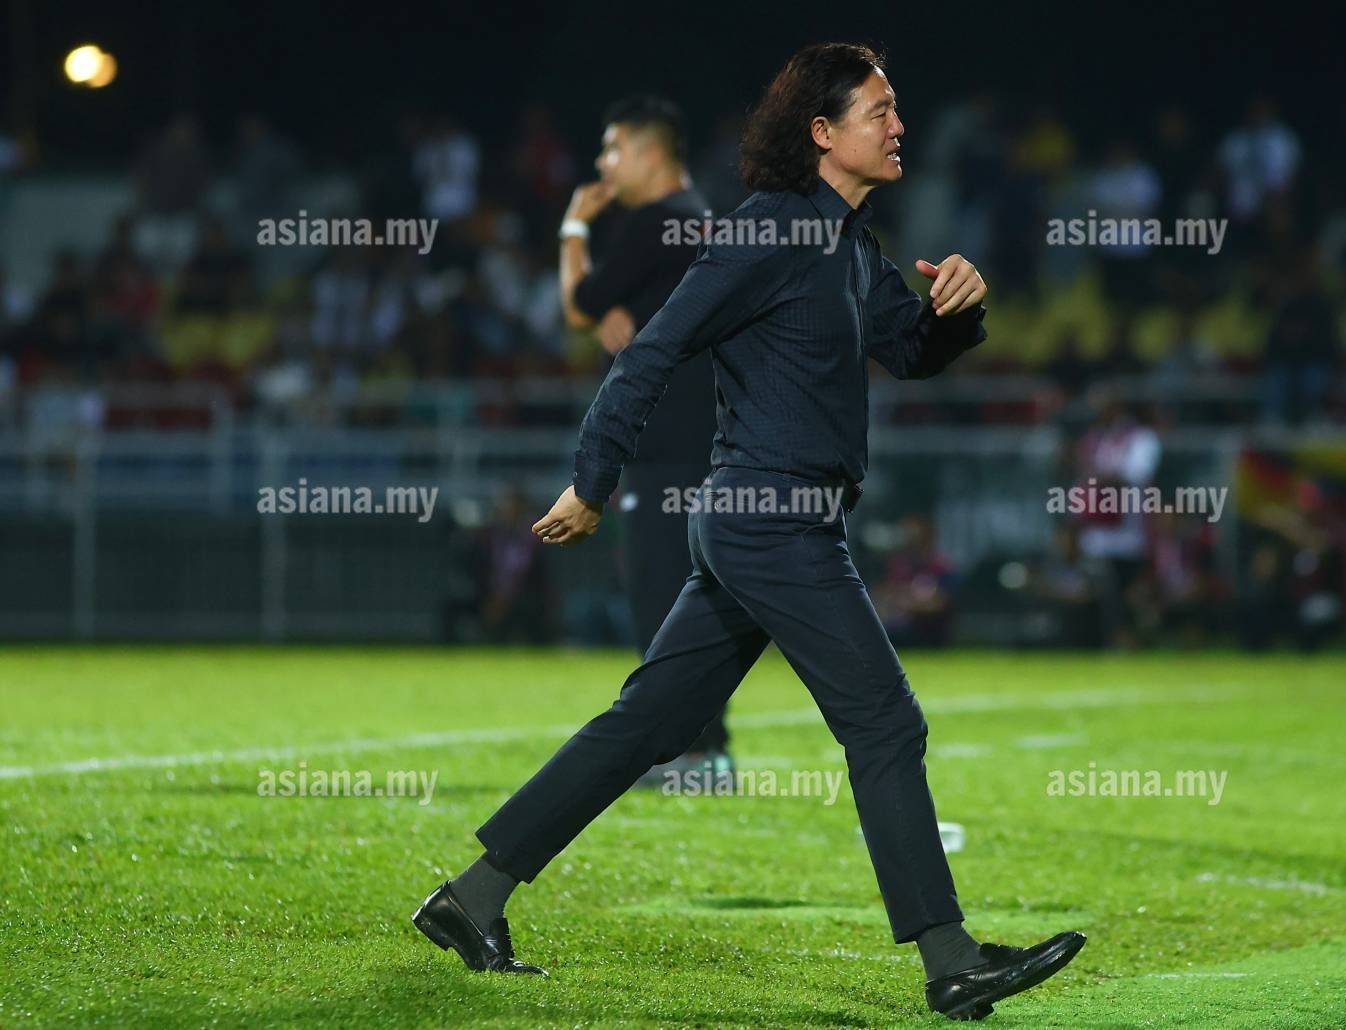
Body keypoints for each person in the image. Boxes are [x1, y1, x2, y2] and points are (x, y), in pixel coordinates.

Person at [413, 43, 1085, 1020]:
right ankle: (951, 960)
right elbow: (652, 350)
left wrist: (956, 310)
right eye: (880, 111)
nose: (900, 126)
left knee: (650, 724)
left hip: (769, 521)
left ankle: (471, 899)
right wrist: (593, 479)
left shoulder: (850, 244)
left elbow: (909, 348)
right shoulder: (768, 228)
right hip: (772, 522)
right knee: (886, 722)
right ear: (822, 132)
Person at [557, 95, 732, 782]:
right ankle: (705, 747)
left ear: (648, 153)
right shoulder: (700, 220)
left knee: (661, 597)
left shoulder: (660, 221)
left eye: (612, 149)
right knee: (694, 596)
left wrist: (574, 226)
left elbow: (578, 306)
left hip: (667, 443)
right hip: (708, 439)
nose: (603, 164)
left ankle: (694, 755)